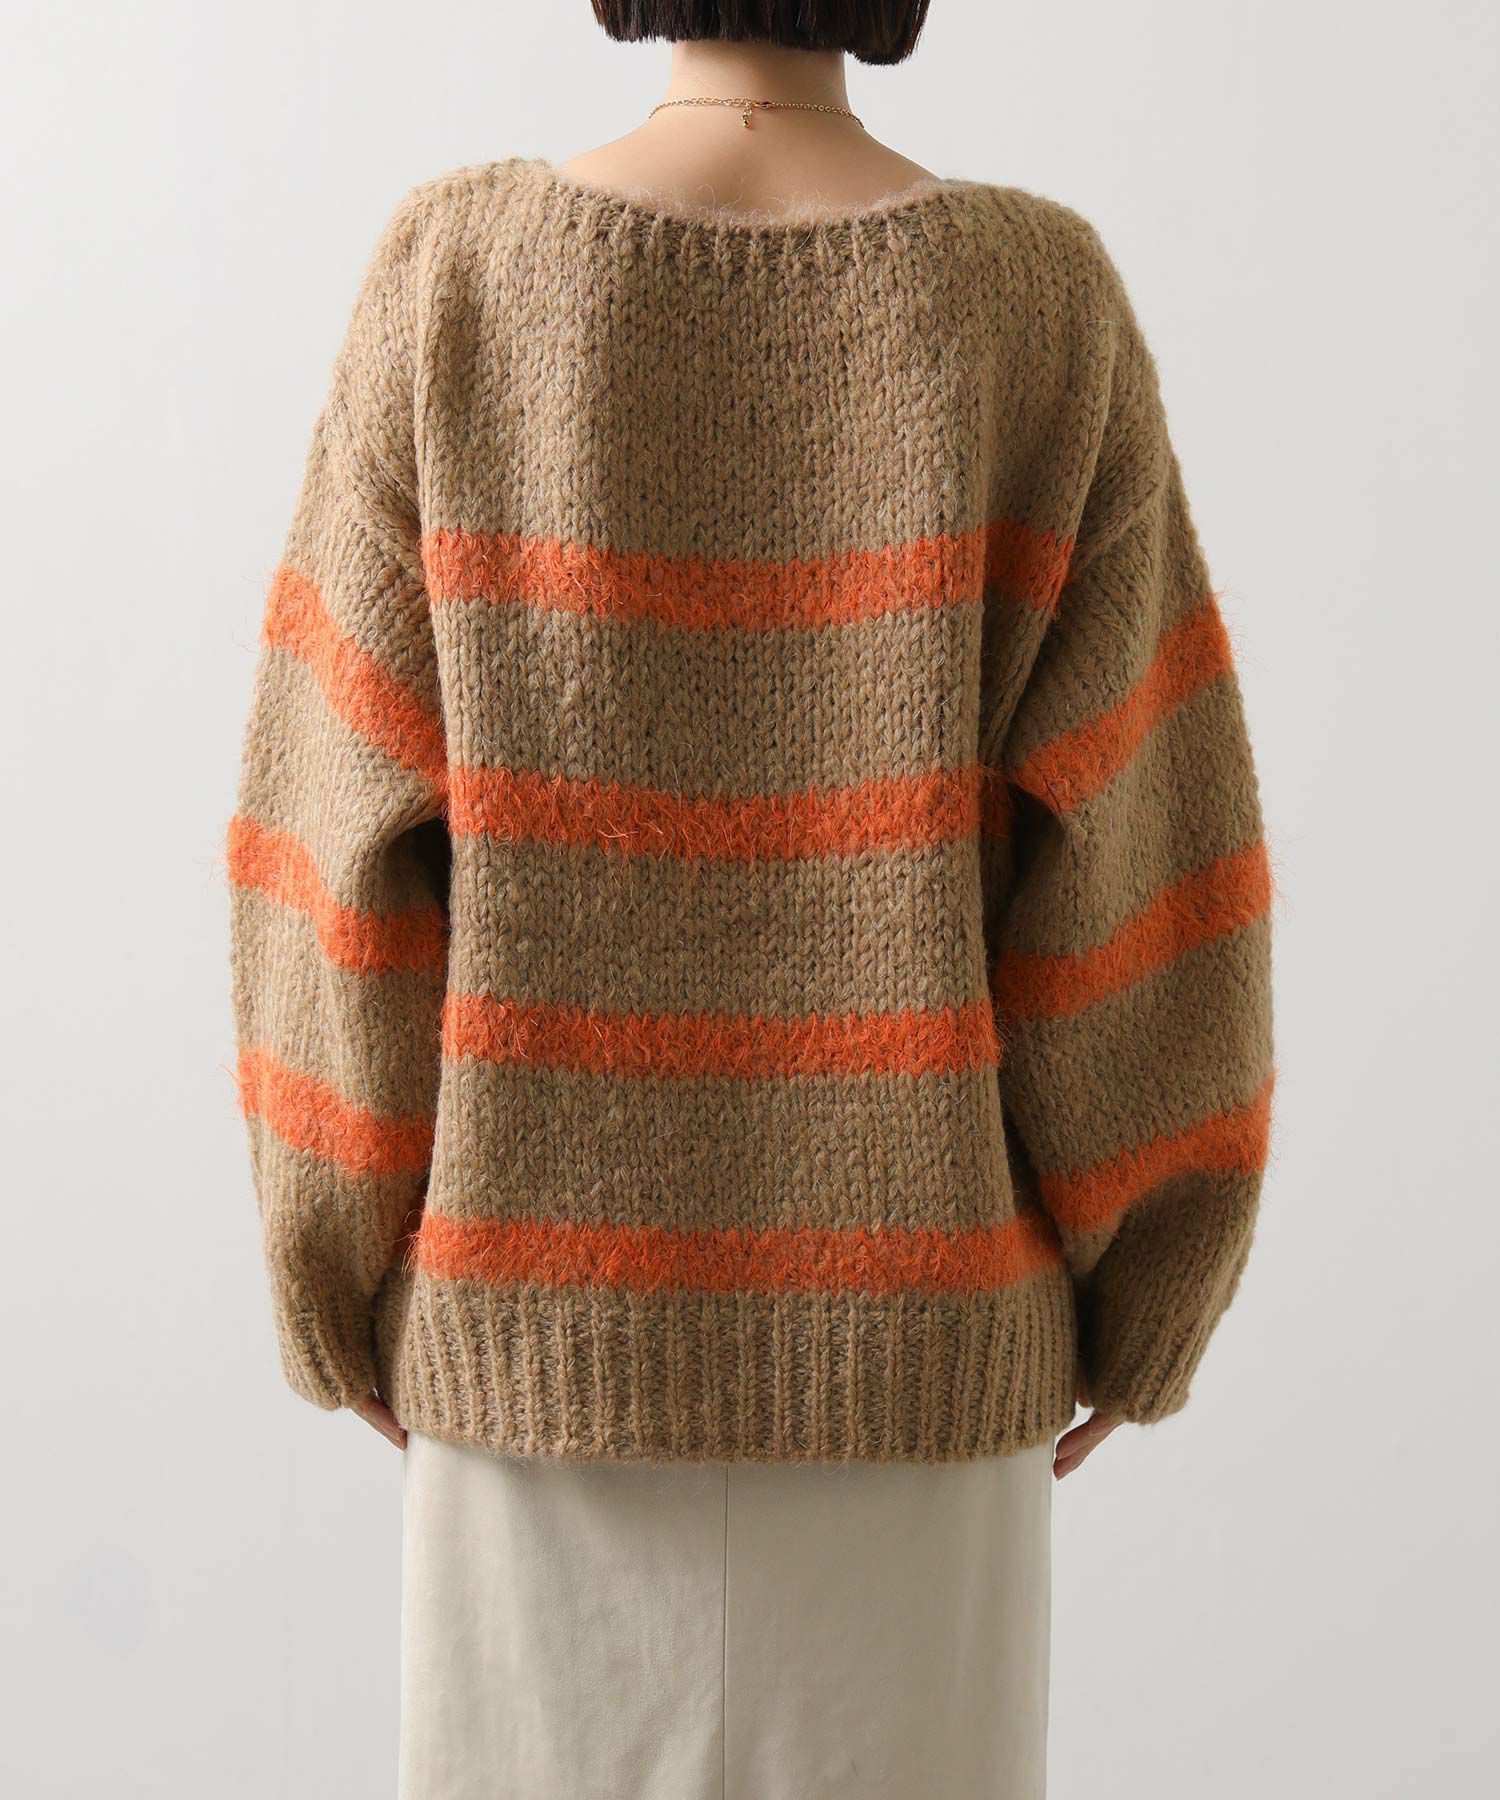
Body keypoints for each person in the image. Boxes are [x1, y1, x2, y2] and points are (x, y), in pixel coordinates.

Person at [226, 3, 1274, 1793]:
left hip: (534, 1380)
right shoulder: (1038, 307)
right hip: (923, 1390)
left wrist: (338, 1259)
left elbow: (335, 841)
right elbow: (1141, 854)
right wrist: (1153, 1272)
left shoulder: (455, 281)